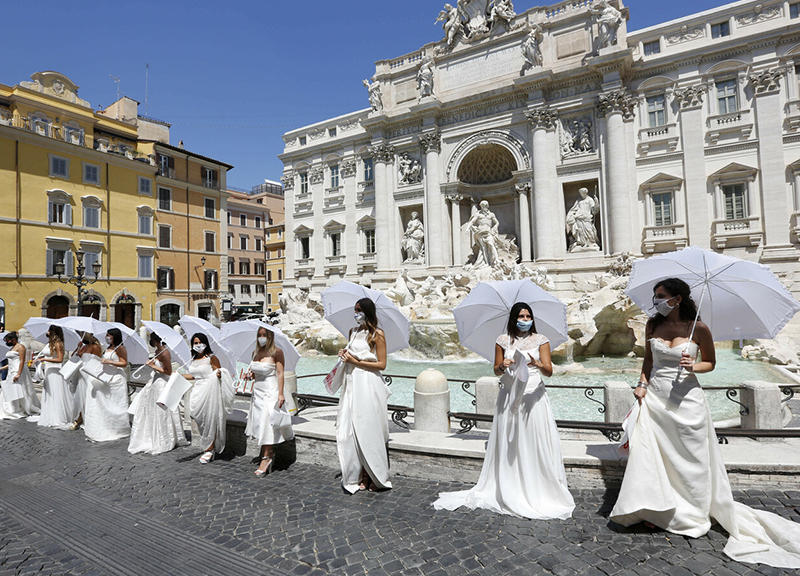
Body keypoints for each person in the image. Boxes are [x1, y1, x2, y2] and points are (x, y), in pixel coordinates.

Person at [610, 278, 800, 568]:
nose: (656, 301)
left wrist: (693, 365)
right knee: (656, 457)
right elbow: (648, 361)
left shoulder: (699, 327)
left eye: (661, 296)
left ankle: (693, 511)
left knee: (691, 458)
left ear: (677, 298)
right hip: (656, 400)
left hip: (688, 400)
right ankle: (659, 509)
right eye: (655, 296)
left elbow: (710, 363)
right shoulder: (652, 325)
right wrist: (641, 385)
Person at [434, 303, 574, 519]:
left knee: (534, 439)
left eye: (528, 316)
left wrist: (536, 363)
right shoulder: (502, 340)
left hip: (533, 397)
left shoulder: (541, 340)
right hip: (509, 395)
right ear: (513, 318)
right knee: (511, 441)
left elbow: (550, 372)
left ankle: (538, 485)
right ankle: (511, 484)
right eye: (521, 316)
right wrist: (504, 365)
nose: (525, 319)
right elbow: (496, 369)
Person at [336, 297, 392, 493]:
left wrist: (356, 360)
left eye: (359, 310)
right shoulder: (353, 332)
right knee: (350, 428)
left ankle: (372, 475)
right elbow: (351, 356)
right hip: (351, 381)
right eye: (355, 309)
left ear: (367, 311)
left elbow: (382, 365)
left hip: (368, 382)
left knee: (368, 427)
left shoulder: (378, 334)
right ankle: (357, 472)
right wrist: (345, 354)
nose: (356, 313)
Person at [128, 332, 188, 455]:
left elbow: (168, 371)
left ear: (155, 340)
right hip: (155, 382)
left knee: (162, 412)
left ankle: (165, 437)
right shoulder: (157, 352)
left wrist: (153, 366)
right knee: (152, 411)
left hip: (162, 383)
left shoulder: (165, 352)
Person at [245, 326, 293, 476]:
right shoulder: (255, 353)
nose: (261, 337)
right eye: (259, 334)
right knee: (259, 422)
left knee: (267, 422)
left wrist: (280, 394)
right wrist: (250, 376)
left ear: (270, 336)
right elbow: (256, 373)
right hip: (257, 392)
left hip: (270, 391)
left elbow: (280, 374)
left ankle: (266, 457)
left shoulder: (277, 352)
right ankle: (268, 451)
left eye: (264, 334)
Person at [182, 333, 234, 463]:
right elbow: (194, 376)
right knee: (199, 419)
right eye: (195, 343)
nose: (198, 345)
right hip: (197, 391)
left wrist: (219, 374)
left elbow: (218, 373)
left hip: (210, 391)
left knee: (210, 419)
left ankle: (209, 449)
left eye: (200, 342)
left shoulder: (212, 358)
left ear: (205, 343)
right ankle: (207, 444)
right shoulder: (193, 360)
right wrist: (179, 375)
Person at [83, 328, 130, 442]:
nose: (106, 337)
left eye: (108, 335)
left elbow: (124, 363)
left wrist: (110, 362)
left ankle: (118, 428)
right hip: (106, 376)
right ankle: (104, 424)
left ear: (114, 336)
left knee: (115, 404)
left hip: (116, 378)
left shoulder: (120, 348)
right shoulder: (108, 348)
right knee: (105, 403)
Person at [35, 325, 73, 428]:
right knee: (49, 392)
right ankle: (49, 413)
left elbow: (60, 359)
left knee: (56, 392)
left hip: (55, 371)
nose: (47, 332)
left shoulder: (58, 344)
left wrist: (45, 360)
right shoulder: (49, 343)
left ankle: (58, 416)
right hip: (48, 370)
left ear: (53, 332)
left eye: (49, 330)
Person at [0, 331, 40, 419]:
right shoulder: (13, 348)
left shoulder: (21, 347)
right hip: (11, 370)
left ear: (13, 339)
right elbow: (11, 362)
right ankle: (12, 407)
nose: (7, 342)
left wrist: (18, 373)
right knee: (10, 388)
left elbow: (21, 360)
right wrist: (2, 368)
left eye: (8, 340)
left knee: (18, 388)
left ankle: (17, 407)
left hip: (18, 370)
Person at [70, 333, 102, 431]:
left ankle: (83, 417)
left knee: (87, 396)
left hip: (88, 373)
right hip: (81, 373)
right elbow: (73, 356)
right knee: (80, 396)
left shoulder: (95, 347)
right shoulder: (84, 346)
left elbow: (97, 360)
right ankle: (80, 416)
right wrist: (78, 348)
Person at [565, 187, 600, 252]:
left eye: (583, 193)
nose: (581, 195)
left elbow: (594, 210)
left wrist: (596, 202)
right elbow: (574, 209)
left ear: (585, 193)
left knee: (589, 231)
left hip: (587, 218)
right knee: (580, 232)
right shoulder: (578, 200)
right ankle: (582, 244)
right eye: (581, 193)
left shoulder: (590, 200)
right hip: (578, 218)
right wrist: (571, 215)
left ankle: (590, 243)